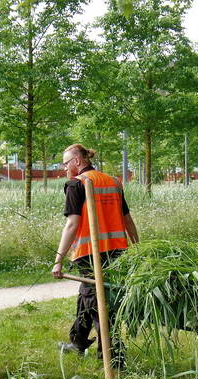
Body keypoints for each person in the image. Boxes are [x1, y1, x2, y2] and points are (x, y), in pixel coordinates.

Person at [52, 143, 139, 363]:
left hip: (90, 252)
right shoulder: (112, 182)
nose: (64, 168)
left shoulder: (76, 184)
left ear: (77, 161)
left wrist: (58, 260)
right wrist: (138, 247)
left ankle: (113, 355)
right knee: (88, 294)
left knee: (98, 301)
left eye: (65, 163)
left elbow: (72, 225)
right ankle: (78, 342)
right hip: (117, 250)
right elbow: (127, 219)